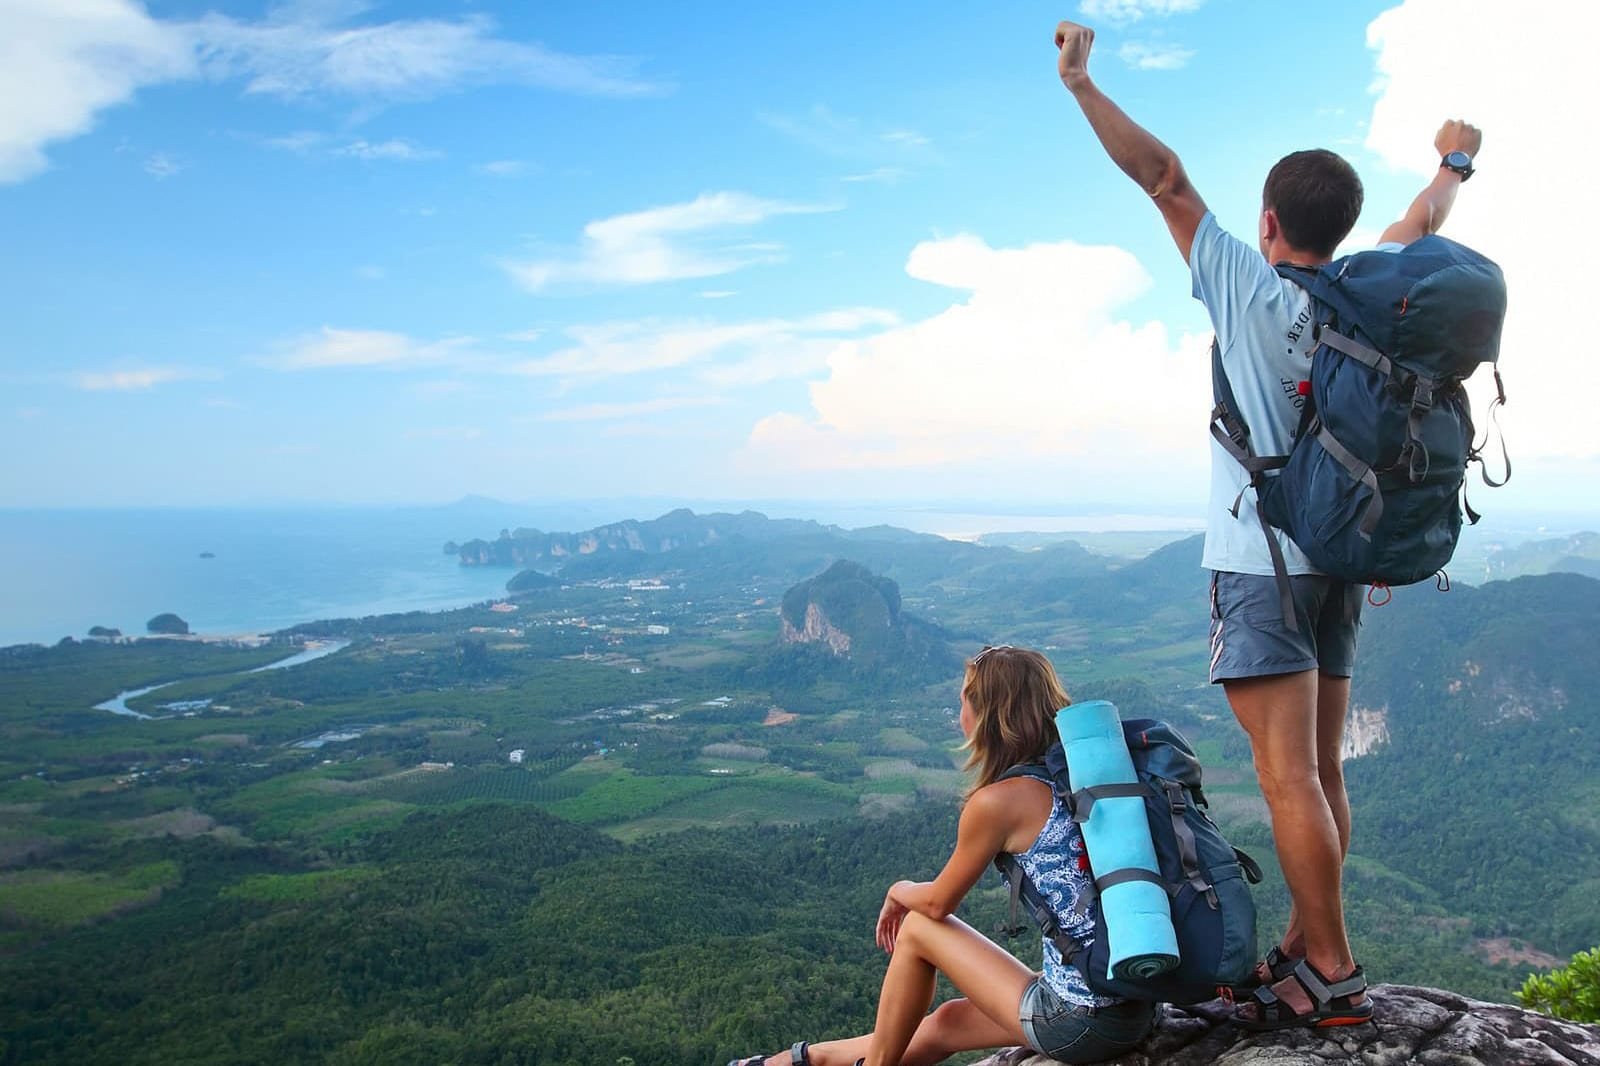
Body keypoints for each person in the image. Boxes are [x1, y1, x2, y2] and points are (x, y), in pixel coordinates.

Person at [1052, 18, 1481, 1030]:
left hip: (1263, 567)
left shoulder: (1247, 285)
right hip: (1341, 557)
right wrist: (1454, 161)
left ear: (1267, 218)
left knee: (1284, 773)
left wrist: (1078, 82)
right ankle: (1305, 935)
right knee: (1321, 769)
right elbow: (1420, 222)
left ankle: (1327, 966)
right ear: (1341, 224)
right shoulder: (1363, 295)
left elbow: (1161, 176)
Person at [726, 646, 1154, 1066]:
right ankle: (805, 1059)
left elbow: (936, 904)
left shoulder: (998, 803)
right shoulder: (1087, 777)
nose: (958, 715)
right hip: (1133, 1003)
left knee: (917, 929)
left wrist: (897, 890)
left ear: (988, 715)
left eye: (963, 702)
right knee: (945, 1023)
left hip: (1081, 1021)